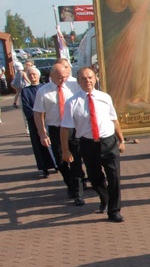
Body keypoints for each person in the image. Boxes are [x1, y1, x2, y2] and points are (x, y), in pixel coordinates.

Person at [61, 67, 126, 222]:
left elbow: (114, 119)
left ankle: (114, 210)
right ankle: (105, 198)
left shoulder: (105, 97)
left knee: (114, 177)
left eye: (90, 77)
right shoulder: (72, 103)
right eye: (83, 78)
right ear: (78, 82)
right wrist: (65, 150)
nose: (87, 81)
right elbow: (65, 128)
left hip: (108, 142)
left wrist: (121, 139)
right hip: (88, 144)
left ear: (96, 78)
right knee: (95, 178)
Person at [33, 61, 85, 205]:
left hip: (73, 128)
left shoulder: (73, 86)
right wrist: (42, 133)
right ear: (51, 76)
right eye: (59, 78)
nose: (63, 80)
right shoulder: (43, 91)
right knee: (61, 161)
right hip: (56, 129)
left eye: (65, 77)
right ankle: (70, 183)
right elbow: (38, 113)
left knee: (76, 159)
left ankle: (78, 192)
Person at [21, 67, 55, 178]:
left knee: (52, 143)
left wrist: (46, 114)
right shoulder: (25, 91)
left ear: (39, 75)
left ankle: (56, 164)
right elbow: (26, 107)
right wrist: (37, 115)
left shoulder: (45, 88)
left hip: (48, 120)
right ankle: (44, 168)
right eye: (30, 75)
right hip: (34, 122)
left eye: (34, 74)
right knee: (39, 145)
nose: (32, 76)